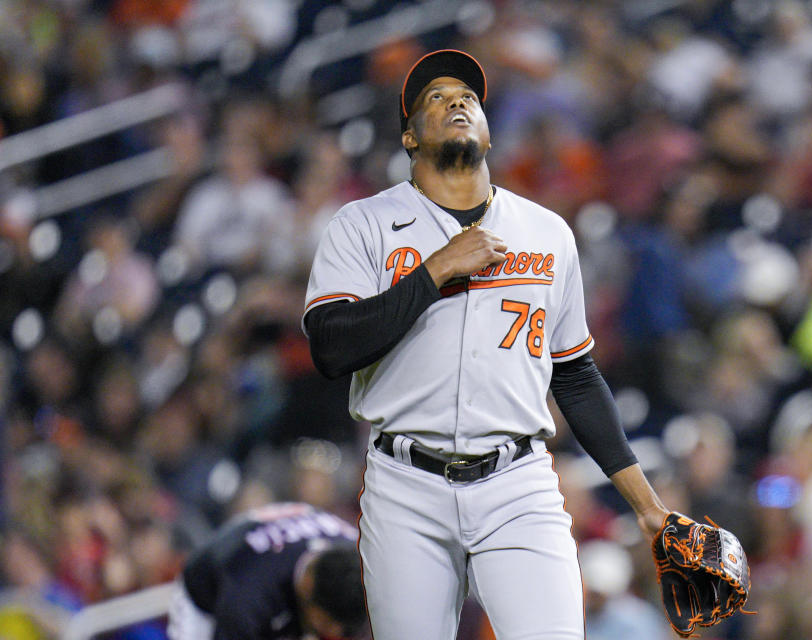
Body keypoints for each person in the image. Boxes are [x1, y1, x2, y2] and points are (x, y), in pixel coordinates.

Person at [303, 49, 670, 639]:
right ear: (409, 137)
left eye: (468, 96)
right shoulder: (363, 224)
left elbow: (574, 375)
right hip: (405, 483)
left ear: (490, 133)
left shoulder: (547, 232)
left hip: (517, 480)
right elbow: (330, 348)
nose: (457, 102)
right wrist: (433, 272)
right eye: (435, 99)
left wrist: (648, 506)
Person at [166, 502, 367, 640]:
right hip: (205, 598)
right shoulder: (247, 596)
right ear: (308, 585)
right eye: (328, 621)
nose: (337, 632)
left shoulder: (359, 553)